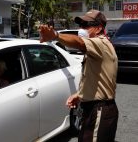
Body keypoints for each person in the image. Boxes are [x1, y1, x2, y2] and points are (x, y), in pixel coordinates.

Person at [39, 9, 119, 142]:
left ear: (99, 28)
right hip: (92, 108)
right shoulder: (96, 48)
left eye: (86, 25)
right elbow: (95, 77)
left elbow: (79, 42)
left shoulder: (101, 43)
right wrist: (79, 95)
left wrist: (55, 35)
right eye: (80, 25)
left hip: (100, 109)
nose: (82, 29)